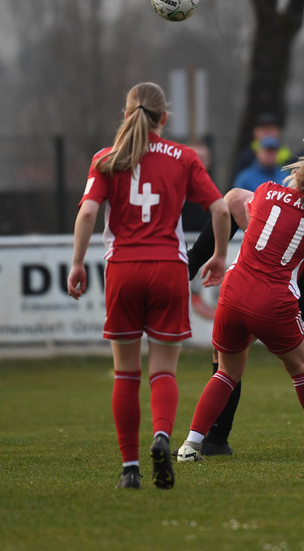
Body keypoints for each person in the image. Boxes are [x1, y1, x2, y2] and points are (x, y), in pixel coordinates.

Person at [66, 82, 230, 490]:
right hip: (168, 270)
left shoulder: (106, 158)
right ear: (164, 119)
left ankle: (130, 469)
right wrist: (220, 255)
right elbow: (221, 208)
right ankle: (161, 436)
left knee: (126, 374)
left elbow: (87, 213)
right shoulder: (184, 157)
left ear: (126, 115)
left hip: (122, 269)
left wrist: (76, 263)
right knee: (163, 371)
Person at [182, 93, 304, 456]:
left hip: (294, 290)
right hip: (285, 282)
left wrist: (262, 224)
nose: (301, 162)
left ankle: (208, 439)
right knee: (251, 364)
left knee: (227, 364)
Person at [230, 113, 295, 187]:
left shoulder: (286, 176)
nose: (270, 154)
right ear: (258, 152)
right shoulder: (245, 174)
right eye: (267, 150)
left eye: (273, 150)